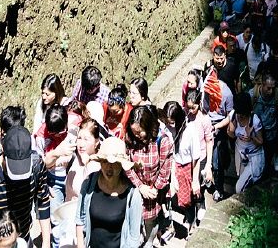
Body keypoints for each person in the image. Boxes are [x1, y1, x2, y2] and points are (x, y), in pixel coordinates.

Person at [75, 136, 142, 248]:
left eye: (115, 163)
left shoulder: (132, 195)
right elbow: (80, 219)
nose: (109, 167)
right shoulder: (89, 184)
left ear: (122, 165)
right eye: (104, 161)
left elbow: (134, 237)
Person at [124, 103, 172, 240]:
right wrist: (140, 186)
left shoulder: (162, 141)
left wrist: (153, 189)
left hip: (153, 191)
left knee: (150, 221)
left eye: (139, 132)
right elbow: (126, 165)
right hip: (134, 189)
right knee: (133, 219)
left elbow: (164, 170)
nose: (137, 135)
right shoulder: (130, 139)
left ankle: (149, 241)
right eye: (134, 132)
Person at [56, 120, 102, 248]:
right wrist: (56, 153)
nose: (81, 144)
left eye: (86, 139)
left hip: (85, 226)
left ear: (97, 141)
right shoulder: (73, 158)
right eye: (79, 138)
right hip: (67, 224)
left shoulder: (98, 167)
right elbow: (47, 164)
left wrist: (87, 164)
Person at [160, 102, 200, 240]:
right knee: (171, 197)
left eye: (172, 122)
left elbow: (196, 159)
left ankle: (191, 224)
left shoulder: (190, 131)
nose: (170, 125)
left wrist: (195, 180)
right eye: (168, 122)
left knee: (188, 200)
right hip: (174, 165)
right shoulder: (167, 130)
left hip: (187, 166)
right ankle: (172, 225)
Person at [43, 104, 77, 246]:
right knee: (56, 217)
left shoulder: (75, 128)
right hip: (52, 180)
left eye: (61, 132)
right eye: (53, 133)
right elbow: (40, 164)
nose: (57, 136)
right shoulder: (41, 135)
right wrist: (57, 152)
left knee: (72, 216)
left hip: (72, 177)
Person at [199, 64, 234, 201]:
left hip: (220, 127)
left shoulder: (226, 93)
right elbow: (203, 109)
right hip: (207, 125)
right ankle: (206, 176)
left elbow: (230, 115)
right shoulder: (205, 90)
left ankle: (219, 188)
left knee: (217, 160)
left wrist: (217, 127)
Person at [251, 74, 278, 175]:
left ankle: (276, 154)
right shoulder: (253, 94)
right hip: (258, 131)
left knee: (272, 148)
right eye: (268, 88)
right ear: (262, 85)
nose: (271, 91)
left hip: (273, 130)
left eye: (273, 88)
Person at [183, 89, 212, 228]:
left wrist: (208, 165)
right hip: (188, 158)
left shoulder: (204, 120)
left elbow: (209, 141)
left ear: (199, 104)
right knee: (189, 188)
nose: (191, 110)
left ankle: (200, 209)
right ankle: (192, 216)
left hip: (201, 158)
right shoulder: (186, 117)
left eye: (193, 107)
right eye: (188, 107)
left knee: (197, 188)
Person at [227, 92, 264, 193]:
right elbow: (231, 135)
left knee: (239, 187)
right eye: (239, 112)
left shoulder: (254, 121)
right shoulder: (234, 115)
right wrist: (231, 130)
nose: (240, 116)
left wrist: (251, 136)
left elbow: (261, 142)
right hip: (241, 154)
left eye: (242, 113)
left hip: (254, 156)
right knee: (243, 184)